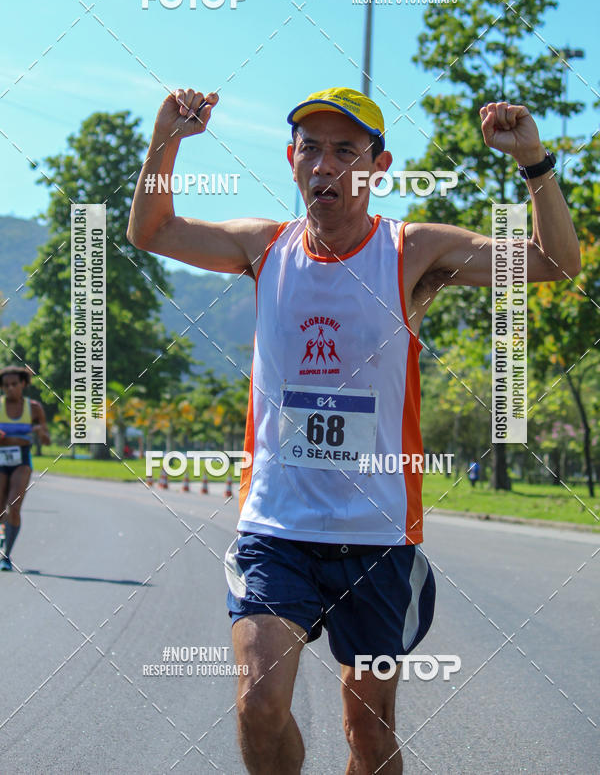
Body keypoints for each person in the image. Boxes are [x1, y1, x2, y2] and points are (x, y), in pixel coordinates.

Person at [127, 86, 580, 774]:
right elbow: (151, 231)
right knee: (259, 702)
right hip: (276, 529)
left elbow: (553, 264)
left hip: (376, 538)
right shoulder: (263, 247)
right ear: (291, 160)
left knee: (367, 733)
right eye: (311, 148)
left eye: (346, 151)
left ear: (378, 166)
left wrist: (534, 164)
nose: (326, 165)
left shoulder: (413, 250)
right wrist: (167, 136)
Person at [0, 365, 50, 571]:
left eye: (14, 384)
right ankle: (3, 535)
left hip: (22, 460)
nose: (9, 388)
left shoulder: (34, 408)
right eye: (5, 385)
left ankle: (6, 555)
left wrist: (39, 431)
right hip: (0, 459)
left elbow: (47, 441)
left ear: (23, 384)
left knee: (14, 506)